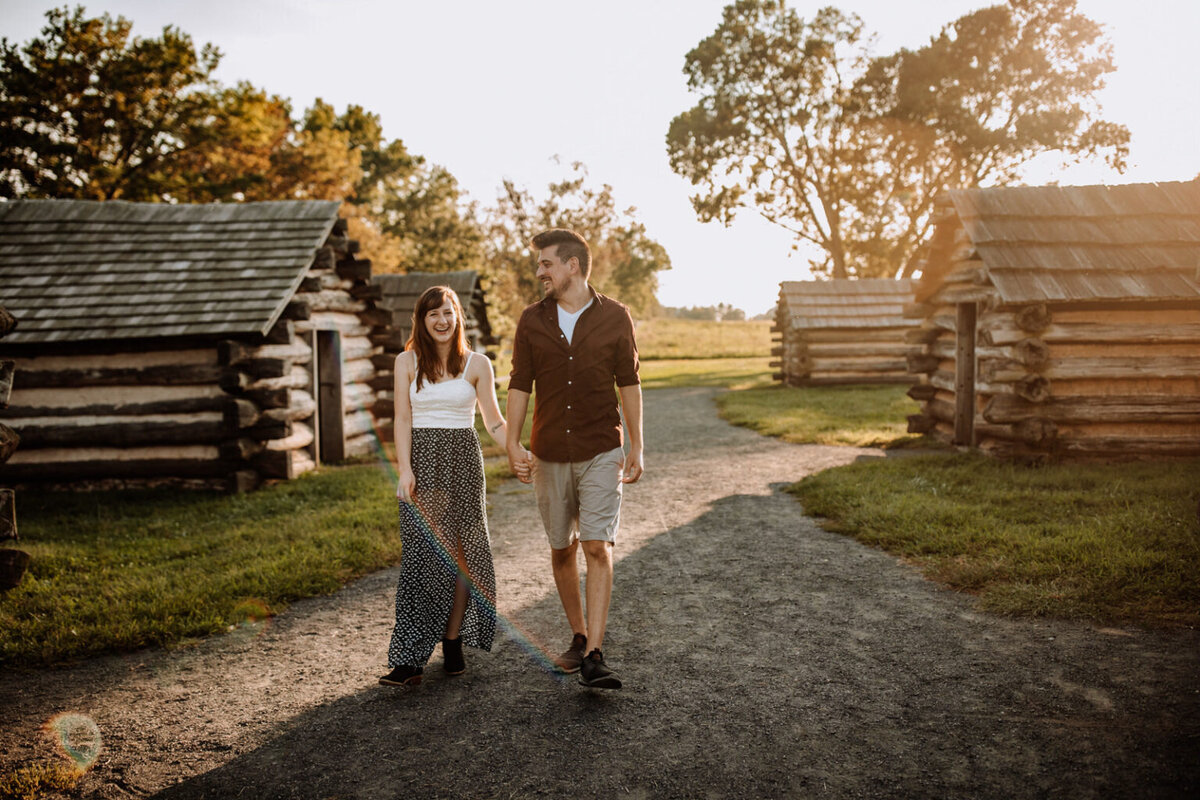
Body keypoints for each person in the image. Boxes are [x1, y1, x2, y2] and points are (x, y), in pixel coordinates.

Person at [505, 228, 644, 690]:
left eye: (546, 263)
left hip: (601, 447)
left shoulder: (615, 317)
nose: (539, 271)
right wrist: (512, 443)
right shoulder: (531, 320)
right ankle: (579, 635)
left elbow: (629, 382)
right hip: (549, 451)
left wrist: (637, 445)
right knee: (561, 547)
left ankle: (595, 655)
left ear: (572, 266)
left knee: (597, 546)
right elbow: (520, 383)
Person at [380, 286, 513, 686]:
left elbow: (492, 422)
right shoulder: (407, 361)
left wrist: (520, 450)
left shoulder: (477, 364)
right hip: (421, 461)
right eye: (433, 314)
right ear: (421, 320)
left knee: (461, 557)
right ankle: (409, 659)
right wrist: (405, 469)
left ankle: (452, 639)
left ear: (458, 317)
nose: (441, 321)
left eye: (448, 313)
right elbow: (402, 420)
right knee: (421, 560)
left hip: (463, 463)